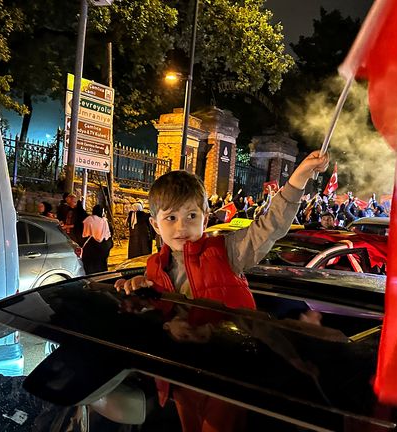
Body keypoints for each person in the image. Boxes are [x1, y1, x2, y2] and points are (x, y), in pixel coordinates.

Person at [113, 150, 329, 432]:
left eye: (191, 215)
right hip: (179, 373)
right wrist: (137, 295)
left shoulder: (227, 252)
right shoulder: (153, 267)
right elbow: (155, 319)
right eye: (171, 218)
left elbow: (269, 227)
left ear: (205, 219)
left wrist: (299, 178)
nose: (182, 227)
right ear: (155, 224)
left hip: (227, 373)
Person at [82, 205, 112, 274]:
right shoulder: (104, 221)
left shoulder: (88, 219)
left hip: (90, 245)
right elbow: (107, 234)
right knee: (101, 265)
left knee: (90, 266)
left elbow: (85, 233)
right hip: (102, 247)